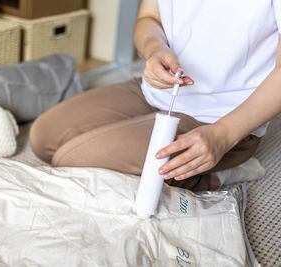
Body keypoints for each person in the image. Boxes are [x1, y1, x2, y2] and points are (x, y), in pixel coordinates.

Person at [29, 0, 281, 191]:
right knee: (44, 138)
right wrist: (154, 48)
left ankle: (217, 172)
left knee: (71, 161)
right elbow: (148, 18)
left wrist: (223, 136)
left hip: (221, 120)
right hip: (157, 91)